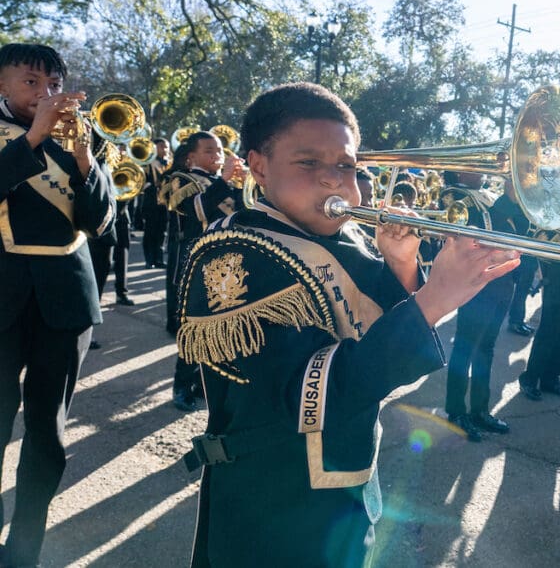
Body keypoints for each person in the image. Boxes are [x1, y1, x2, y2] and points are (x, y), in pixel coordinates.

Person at [177, 82, 518, 568]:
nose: (335, 181)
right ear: (258, 167)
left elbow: (392, 365)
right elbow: (310, 396)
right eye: (308, 163)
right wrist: (435, 298)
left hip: (349, 470)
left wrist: (403, 266)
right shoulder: (233, 251)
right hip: (273, 494)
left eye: (346, 166)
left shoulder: (352, 241)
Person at [0, 43, 116, 568]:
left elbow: (101, 224)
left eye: (52, 84)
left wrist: (85, 159)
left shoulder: (83, 141)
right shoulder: (12, 140)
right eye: (29, 82)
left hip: (66, 299)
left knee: (48, 432)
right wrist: (34, 137)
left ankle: (25, 548)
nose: (44, 94)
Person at [164, 131, 246, 411]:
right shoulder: (181, 180)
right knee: (194, 328)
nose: (217, 156)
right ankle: (181, 386)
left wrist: (244, 186)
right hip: (195, 265)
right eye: (209, 151)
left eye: (220, 151)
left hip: (227, 263)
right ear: (191, 157)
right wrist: (224, 181)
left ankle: (203, 382)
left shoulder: (224, 183)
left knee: (220, 326)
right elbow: (196, 214)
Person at [442, 173, 526, 442]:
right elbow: (479, 230)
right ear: (461, 172)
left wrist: (517, 196)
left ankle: (479, 410)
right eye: (474, 167)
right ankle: (456, 411)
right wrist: (508, 196)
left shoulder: (488, 196)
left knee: (486, 349)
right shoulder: (457, 196)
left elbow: (520, 229)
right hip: (477, 284)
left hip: (502, 283)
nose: (482, 171)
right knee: (465, 349)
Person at [517, 220, 560, 400]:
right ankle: (530, 378)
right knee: (547, 336)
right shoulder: (546, 230)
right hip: (556, 289)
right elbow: (550, 254)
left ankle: (551, 378)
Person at [141, 137, 170, 268]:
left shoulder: (169, 163)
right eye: (161, 146)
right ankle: (149, 259)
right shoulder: (148, 163)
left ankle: (159, 258)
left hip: (165, 203)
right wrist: (153, 185)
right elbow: (141, 182)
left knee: (162, 231)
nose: (165, 149)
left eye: (167, 147)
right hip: (151, 201)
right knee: (150, 231)